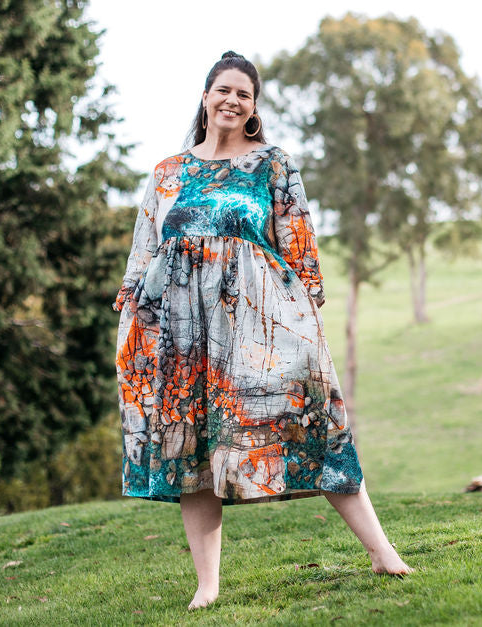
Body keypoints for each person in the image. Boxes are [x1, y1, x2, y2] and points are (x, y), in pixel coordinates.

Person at [112, 51, 412, 609]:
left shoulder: (272, 164)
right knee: (194, 457)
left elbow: (299, 248)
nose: (231, 100)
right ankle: (208, 586)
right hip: (182, 340)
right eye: (223, 90)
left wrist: (310, 321)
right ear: (205, 97)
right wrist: (134, 326)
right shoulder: (167, 174)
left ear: (253, 109)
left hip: (260, 331)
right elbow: (143, 256)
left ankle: (381, 550)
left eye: (243, 94)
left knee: (319, 426)